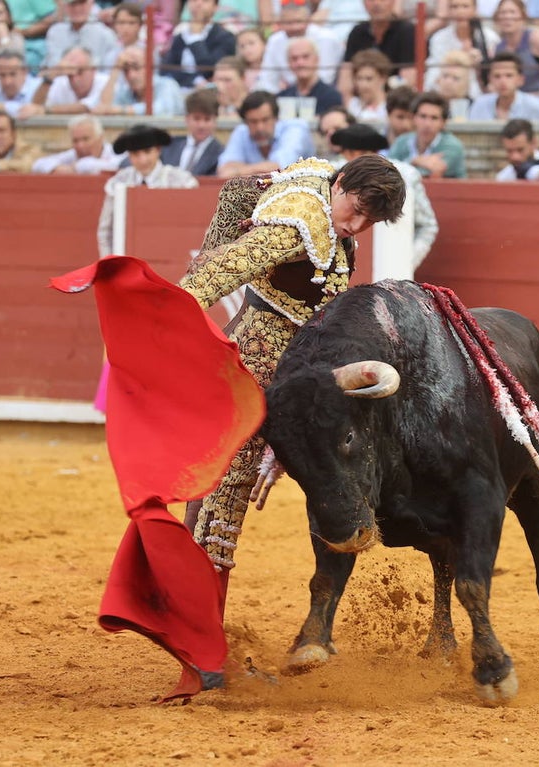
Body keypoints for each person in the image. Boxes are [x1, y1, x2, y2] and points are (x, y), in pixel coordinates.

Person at [178, 152, 405, 587]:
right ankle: (192, 609)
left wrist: (213, 245)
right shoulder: (300, 225)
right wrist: (174, 307)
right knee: (229, 484)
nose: (356, 226)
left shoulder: (317, 184)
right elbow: (228, 269)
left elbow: (238, 190)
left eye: (369, 221)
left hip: (289, 367)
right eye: (356, 210)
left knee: (230, 477)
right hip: (257, 366)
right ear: (340, 185)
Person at [333, 122, 438, 272]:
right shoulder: (333, 172)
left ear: (375, 152)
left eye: (362, 152)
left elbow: (427, 226)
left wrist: (405, 264)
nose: (355, 158)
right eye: (350, 153)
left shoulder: (407, 175)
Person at [97, 124, 198, 256]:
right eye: (135, 154)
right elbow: (105, 231)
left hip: (171, 254)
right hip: (129, 258)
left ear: (158, 150)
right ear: (129, 156)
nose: (142, 160)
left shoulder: (181, 181)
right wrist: (109, 264)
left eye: (147, 152)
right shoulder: (118, 182)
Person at [216, 90, 315, 178]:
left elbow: (280, 169)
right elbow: (224, 172)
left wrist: (238, 171)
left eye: (265, 120)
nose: (260, 128)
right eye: (253, 121)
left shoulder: (295, 128)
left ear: (276, 118)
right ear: (246, 122)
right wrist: (262, 169)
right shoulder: (241, 132)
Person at [257, 0, 343, 93]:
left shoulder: (326, 38)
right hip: (289, 95)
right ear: (280, 23)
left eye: (298, 21)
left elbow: (326, 78)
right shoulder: (275, 41)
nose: (295, 27)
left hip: (324, 93)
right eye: (289, 23)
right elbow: (267, 80)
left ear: (309, 20)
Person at [338, 0, 417, 100]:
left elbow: (407, 80)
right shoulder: (357, 32)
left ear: (393, 2)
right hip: (360, 101)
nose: (376, 4)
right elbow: (345, 82)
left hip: (394, 102)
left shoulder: (407, 31)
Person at [425, 0, 499, 94]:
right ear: (449, 11)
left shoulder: (490, 38)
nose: (460, 11)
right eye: (455, 7)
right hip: (446, 92)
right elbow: (433, 75)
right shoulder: (439, 38)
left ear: (475, 10)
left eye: (465, 6)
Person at [388, 91, 468, 178]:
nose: (427, 124)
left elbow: (428, 174)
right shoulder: (401, 141)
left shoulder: (453, 146)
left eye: (434, 118)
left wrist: (406, 164)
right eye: (423, 116)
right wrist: (415, 161)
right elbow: (386, 172)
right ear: (414, 118)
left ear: (443, 123)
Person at [469, 51, 539, 121]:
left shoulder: (534, 105)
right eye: (497, 76)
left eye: (509, 76)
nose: (503, 81)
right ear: (490, 79)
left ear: (520, 80)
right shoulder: (479, 104)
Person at [161, 0, 237, 88]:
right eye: (194, 0)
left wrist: (195, 39)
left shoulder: (225, 37)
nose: (198, 4)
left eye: (205, 1)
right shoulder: (180, 36)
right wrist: (194, 80)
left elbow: (210, 69)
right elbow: (165, 70)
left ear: (215, 7)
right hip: (178, 89)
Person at [95, 44, 184, 116]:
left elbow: (162, 110)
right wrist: (115, 70)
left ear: (150, 67)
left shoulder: (167, 85)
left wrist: (122, 110)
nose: (131, 75)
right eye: (125, 70)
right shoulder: (126, 92)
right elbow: (103, 108)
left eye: (136, 68)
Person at [492, 0, 539, 95]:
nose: (507, 17)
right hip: (512, 100)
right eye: (503, 13)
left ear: (523, 17)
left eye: (512, 12)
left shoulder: (535, 39)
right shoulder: (498, 48)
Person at [160, 88, 223, 176]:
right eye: (196, 119)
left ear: (215, 121)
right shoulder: (169, 146)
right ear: (187, 119)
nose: (201, 125)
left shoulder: (221, 153)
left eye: (207, 119)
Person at [44, 0, 121, 70]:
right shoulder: (55, 32)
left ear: (91, 3)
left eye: (82, 3)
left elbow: (108, 71)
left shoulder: (105, 35)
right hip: (60, 81)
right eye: (72, 4)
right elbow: (53, 66)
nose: (77, 9)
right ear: (65, 5)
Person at [32, 114, 122, 173]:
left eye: (86, 139)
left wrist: (77, 167)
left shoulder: (116, 152)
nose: (80, 145)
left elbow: (118, 166)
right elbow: (38, 164)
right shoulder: (73, 155)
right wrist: (56, 169)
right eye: (75, 141)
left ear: (100, 138)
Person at [276, 38, 344, 115]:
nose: (300, 63)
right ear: (288, 63)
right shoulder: (282, 97)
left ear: (317, 59)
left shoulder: (332, 96)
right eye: (294, 58)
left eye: (305, 57)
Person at [35, 46, 105, 113]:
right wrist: (50, 76)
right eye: (70, 75)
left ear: (93, 70)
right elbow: (36, 106)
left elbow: (87, 107)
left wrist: (46, 110)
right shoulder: (61, 82)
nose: (75, 79)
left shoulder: (104, 82)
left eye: (80, 72)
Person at [345, 48, 392, 121]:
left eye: (369, 79)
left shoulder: (391, 106)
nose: (363, 85)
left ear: (383, 79)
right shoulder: (352, 106)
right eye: (359, 78)